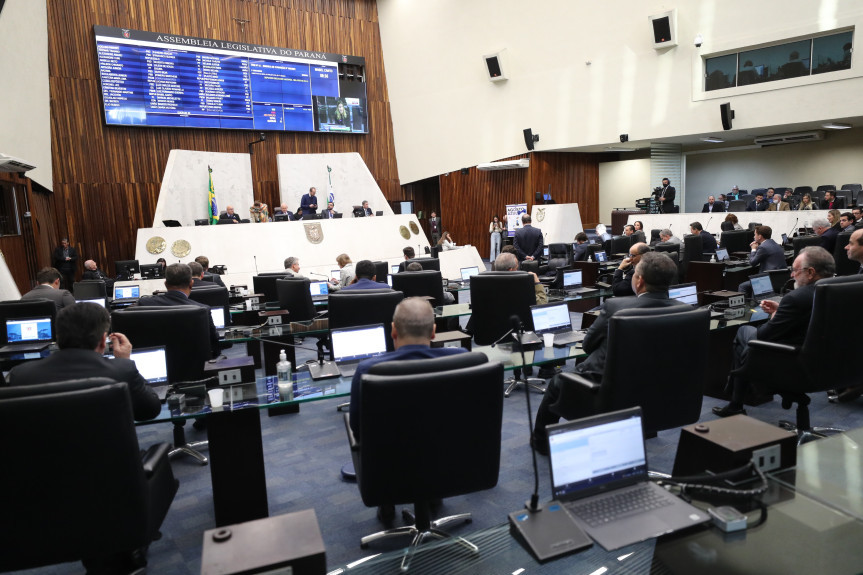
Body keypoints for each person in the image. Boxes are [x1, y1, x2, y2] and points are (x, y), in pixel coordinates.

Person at [532, 253, 687, 454]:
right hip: (662, 391)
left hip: (609, 392)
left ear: (639, 281)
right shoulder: (686, 310)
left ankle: (540, 442)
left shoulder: (616, 306)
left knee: (557, 382)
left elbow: (587, 346)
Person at [713, 247, 836, 417]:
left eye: (795, 270)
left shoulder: (795, 298)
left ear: (810, 272)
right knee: (747, 344)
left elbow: (763, 334)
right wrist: (783, 311)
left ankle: (736, 396)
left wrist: (775, 315)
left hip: (794, 362)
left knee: (745, 332)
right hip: (831, 365)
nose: (792, 275)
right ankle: (738, 392)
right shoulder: (839, 290)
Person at [6, 302, 161, 420]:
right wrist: (124, 360)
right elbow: (150, 411)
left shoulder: (21, 375)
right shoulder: (121, 370)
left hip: (43, 461)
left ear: (58, 338)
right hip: (108, 460)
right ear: (102, 340)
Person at [348, 297, 466, 437]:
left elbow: (357, 426)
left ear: (393, 331)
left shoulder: (367, 370)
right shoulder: (461, 359)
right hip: (450, 452)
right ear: (433, 332)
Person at [134, 263, 220, 358]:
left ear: (165, 284)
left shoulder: (144, 304)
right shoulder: (202, 310)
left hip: (152, 362)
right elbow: (214, 344)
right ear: (191, 283)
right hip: (194, 367)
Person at [737, 226, 787, 298]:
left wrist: (753, 249)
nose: (754, 237)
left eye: (755, 234)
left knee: (742, 286)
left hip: (767, 280)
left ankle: (746, 307)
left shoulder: (763, 247)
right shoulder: (775, 244)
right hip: (779, 279)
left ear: (760, 236)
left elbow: (752, 263)